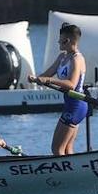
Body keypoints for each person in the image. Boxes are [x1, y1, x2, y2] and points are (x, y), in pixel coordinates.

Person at [28, 22, 87, 156]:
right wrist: (35, 78)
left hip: (76, 105)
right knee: (67, 150)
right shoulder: (62, 57)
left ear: (67, 40)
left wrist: (48, 80)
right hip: (71, 104)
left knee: (57, 149)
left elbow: (71, 84)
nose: (58, 42)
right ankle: (75, 174)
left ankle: (66, 176)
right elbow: (47, 75)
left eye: (60, 40)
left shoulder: (77, 59)